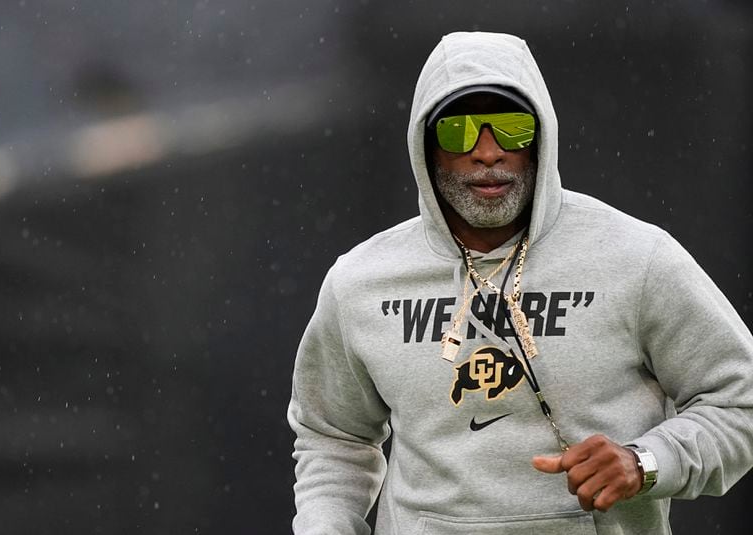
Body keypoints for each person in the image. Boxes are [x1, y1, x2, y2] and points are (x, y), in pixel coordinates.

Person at [287, 31, 753, 534]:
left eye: (512, 128)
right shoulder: (360, 281)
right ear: (425, 146)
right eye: (458, 132)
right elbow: (334, 437)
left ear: (541, 139)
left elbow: (740, 400)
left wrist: (648, 462)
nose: (487, 152)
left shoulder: (637, 258)